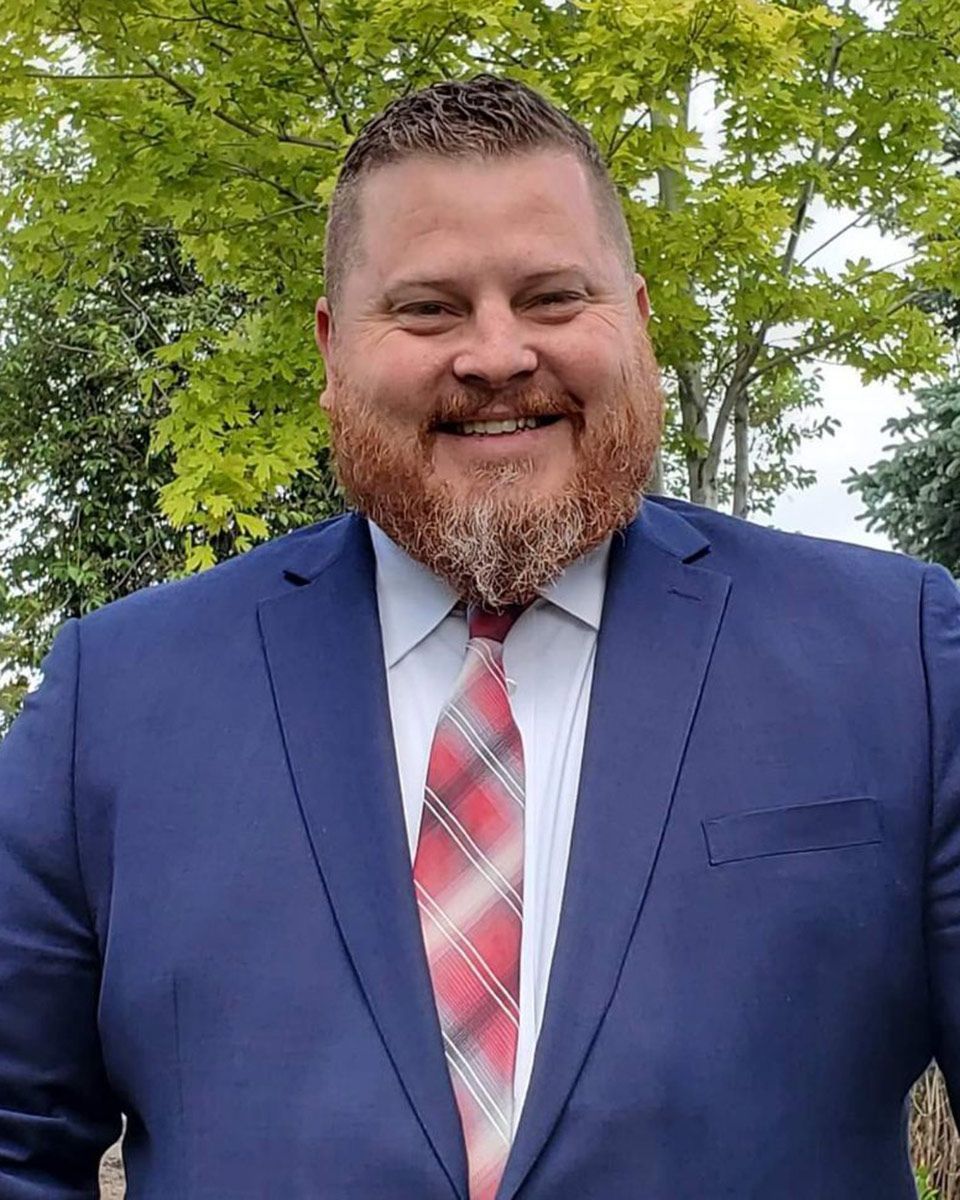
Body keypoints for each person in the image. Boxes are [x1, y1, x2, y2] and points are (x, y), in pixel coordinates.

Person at [0, 74, 958, 1200]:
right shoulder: (115, 698)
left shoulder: (901, 659)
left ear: (639, 324)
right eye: (428, 309)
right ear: (332, 347)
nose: (497, 354)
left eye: (554, 298)